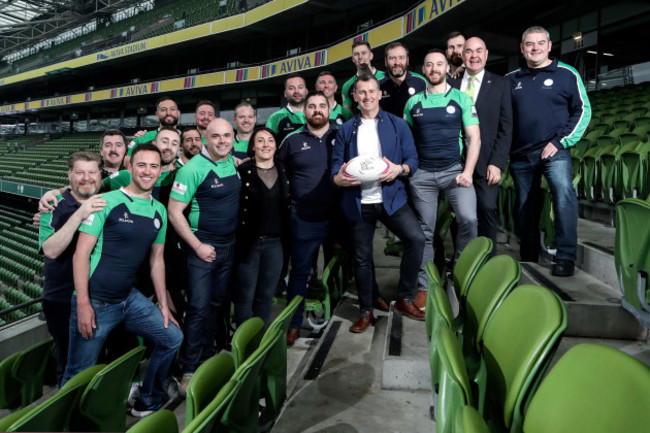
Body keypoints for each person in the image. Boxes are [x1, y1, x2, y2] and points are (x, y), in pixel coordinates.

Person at [62, 143, 183, 418]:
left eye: (154, 166)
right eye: (142, 165)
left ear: (160, 170)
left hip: (128, 298)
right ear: (130, 167)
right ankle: (66, 422)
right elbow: (80, 255)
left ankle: (149, 398)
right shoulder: (107, 201)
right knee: (77, 374)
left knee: (172, 337)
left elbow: (157, 261)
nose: (148, 171)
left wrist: (164, 304)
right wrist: (83, 303)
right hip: (95, 301)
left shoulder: (159, 211)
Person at [332, 74, 425, 333]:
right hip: (358, 202)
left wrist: (400, 169)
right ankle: (366, 310)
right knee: (362, 257)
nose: (368, 96)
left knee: (416, 239)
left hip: (391, 198)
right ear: (355, 97)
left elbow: (413, 160)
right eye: (362, 92)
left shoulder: (397, 125)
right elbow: (335, 167)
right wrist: (338, 179)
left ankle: (405, 297)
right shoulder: (346, 130)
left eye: (372, 91)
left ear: (379, 93)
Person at [506, 26, 591, 276]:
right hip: (521, 155)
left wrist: (560, 141)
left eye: (540, 43)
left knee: (563, 193)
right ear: (522, 48)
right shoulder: (511, 79)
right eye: (530, 44)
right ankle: (529, 256)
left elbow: (583, 110)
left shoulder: (567, 74)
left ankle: (565, 257)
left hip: (554, 150)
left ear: (549, 46)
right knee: (525, 207)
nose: (535, 48)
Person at [167, 118, 240, 394]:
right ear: (204, 138)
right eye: (216, 136)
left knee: (216, 304)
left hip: (228, 247)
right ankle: (188, 367)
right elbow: (174, 212)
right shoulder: (192, 169)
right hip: (202, 249)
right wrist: (197, 246)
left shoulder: (232, 162)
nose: (222, 141)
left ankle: (207, 355)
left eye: (227, 136)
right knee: (197, 307)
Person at [404, 49, 481, 307]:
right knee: (424, 231)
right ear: (423, 71)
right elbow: (407, 140)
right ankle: (425, 286)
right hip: (422, 175)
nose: (434, 68)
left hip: (454, 172)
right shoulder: (413, 103)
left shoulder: (462, 98)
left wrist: (468, 172)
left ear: (448, 68)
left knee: (469, 219)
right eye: (429, 65)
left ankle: (461, 272)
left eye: (439, 64)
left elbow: (474, 138)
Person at [276, 91, 338, 346]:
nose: (316, 110)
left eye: (321, 106)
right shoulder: (291, 140)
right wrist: (288, 199)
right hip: (304, 217)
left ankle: (333, 314)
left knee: (337, 269)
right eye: (311, 106)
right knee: (300, 271)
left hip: (337, 217)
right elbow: (277, 170)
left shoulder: (341, 134)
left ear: (329, 109)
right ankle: (294, 324)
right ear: (304, 111)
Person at [39, 152, 105, 384]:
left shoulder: (107, 199)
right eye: (79, 172)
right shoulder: (52, 206)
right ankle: (66, 414)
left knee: (97, 362)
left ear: (100, 175)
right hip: (62, 300)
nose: (86, 178)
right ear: (69, 176)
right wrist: (80, 214)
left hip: (100, 298)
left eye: (92, 172)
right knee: (69, 364)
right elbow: (51, 250)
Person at [449, 37, 512, 256]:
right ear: (462, 56)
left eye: (479, 51)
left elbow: (506, 127)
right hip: (455, 162)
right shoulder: (451, 85)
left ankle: (488, 262)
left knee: (486, 208)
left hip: (487, 162)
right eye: (469, 51)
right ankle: (462, 260)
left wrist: (497, 163)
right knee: (458, 214)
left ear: (486, 54)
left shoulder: (501, 84)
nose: (474, 55)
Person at [234, 127, 290, 326]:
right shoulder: (242, 171)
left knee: (265, 296)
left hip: (276, 245)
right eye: (260, 141)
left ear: (276, 146)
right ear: (253, 147)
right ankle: (242, 345)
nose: (266, 144)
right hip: (249, 244)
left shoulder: (285, 169)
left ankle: (259, 343)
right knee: (244, 297)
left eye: (270, 140)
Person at [125, 96, 181, 162]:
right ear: (157, 114)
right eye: (163, 110)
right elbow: (126, 160)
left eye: (172, 109)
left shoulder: (188, 139)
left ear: (178, 113)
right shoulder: (142, 138)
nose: (168, 113)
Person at [378, 42, 427, 117]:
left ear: (407, 60)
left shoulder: (421, 82)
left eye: (401, 58)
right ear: (385, 61)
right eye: (392, 58)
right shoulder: (377, 85)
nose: (397, 62)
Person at [342, 41, 386, 112]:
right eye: (356, 54)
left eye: (364, 53)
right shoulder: (347, 86)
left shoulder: (386, 77)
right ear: (353, 59)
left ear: (371, 56)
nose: (360, 57)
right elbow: (347, 115)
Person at [266, 75, 307, 143]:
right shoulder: (275, 118)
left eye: (300, 87)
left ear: (306, 91)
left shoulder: (315, 114)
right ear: (285, 93)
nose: (296, 91)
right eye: (291, 88)